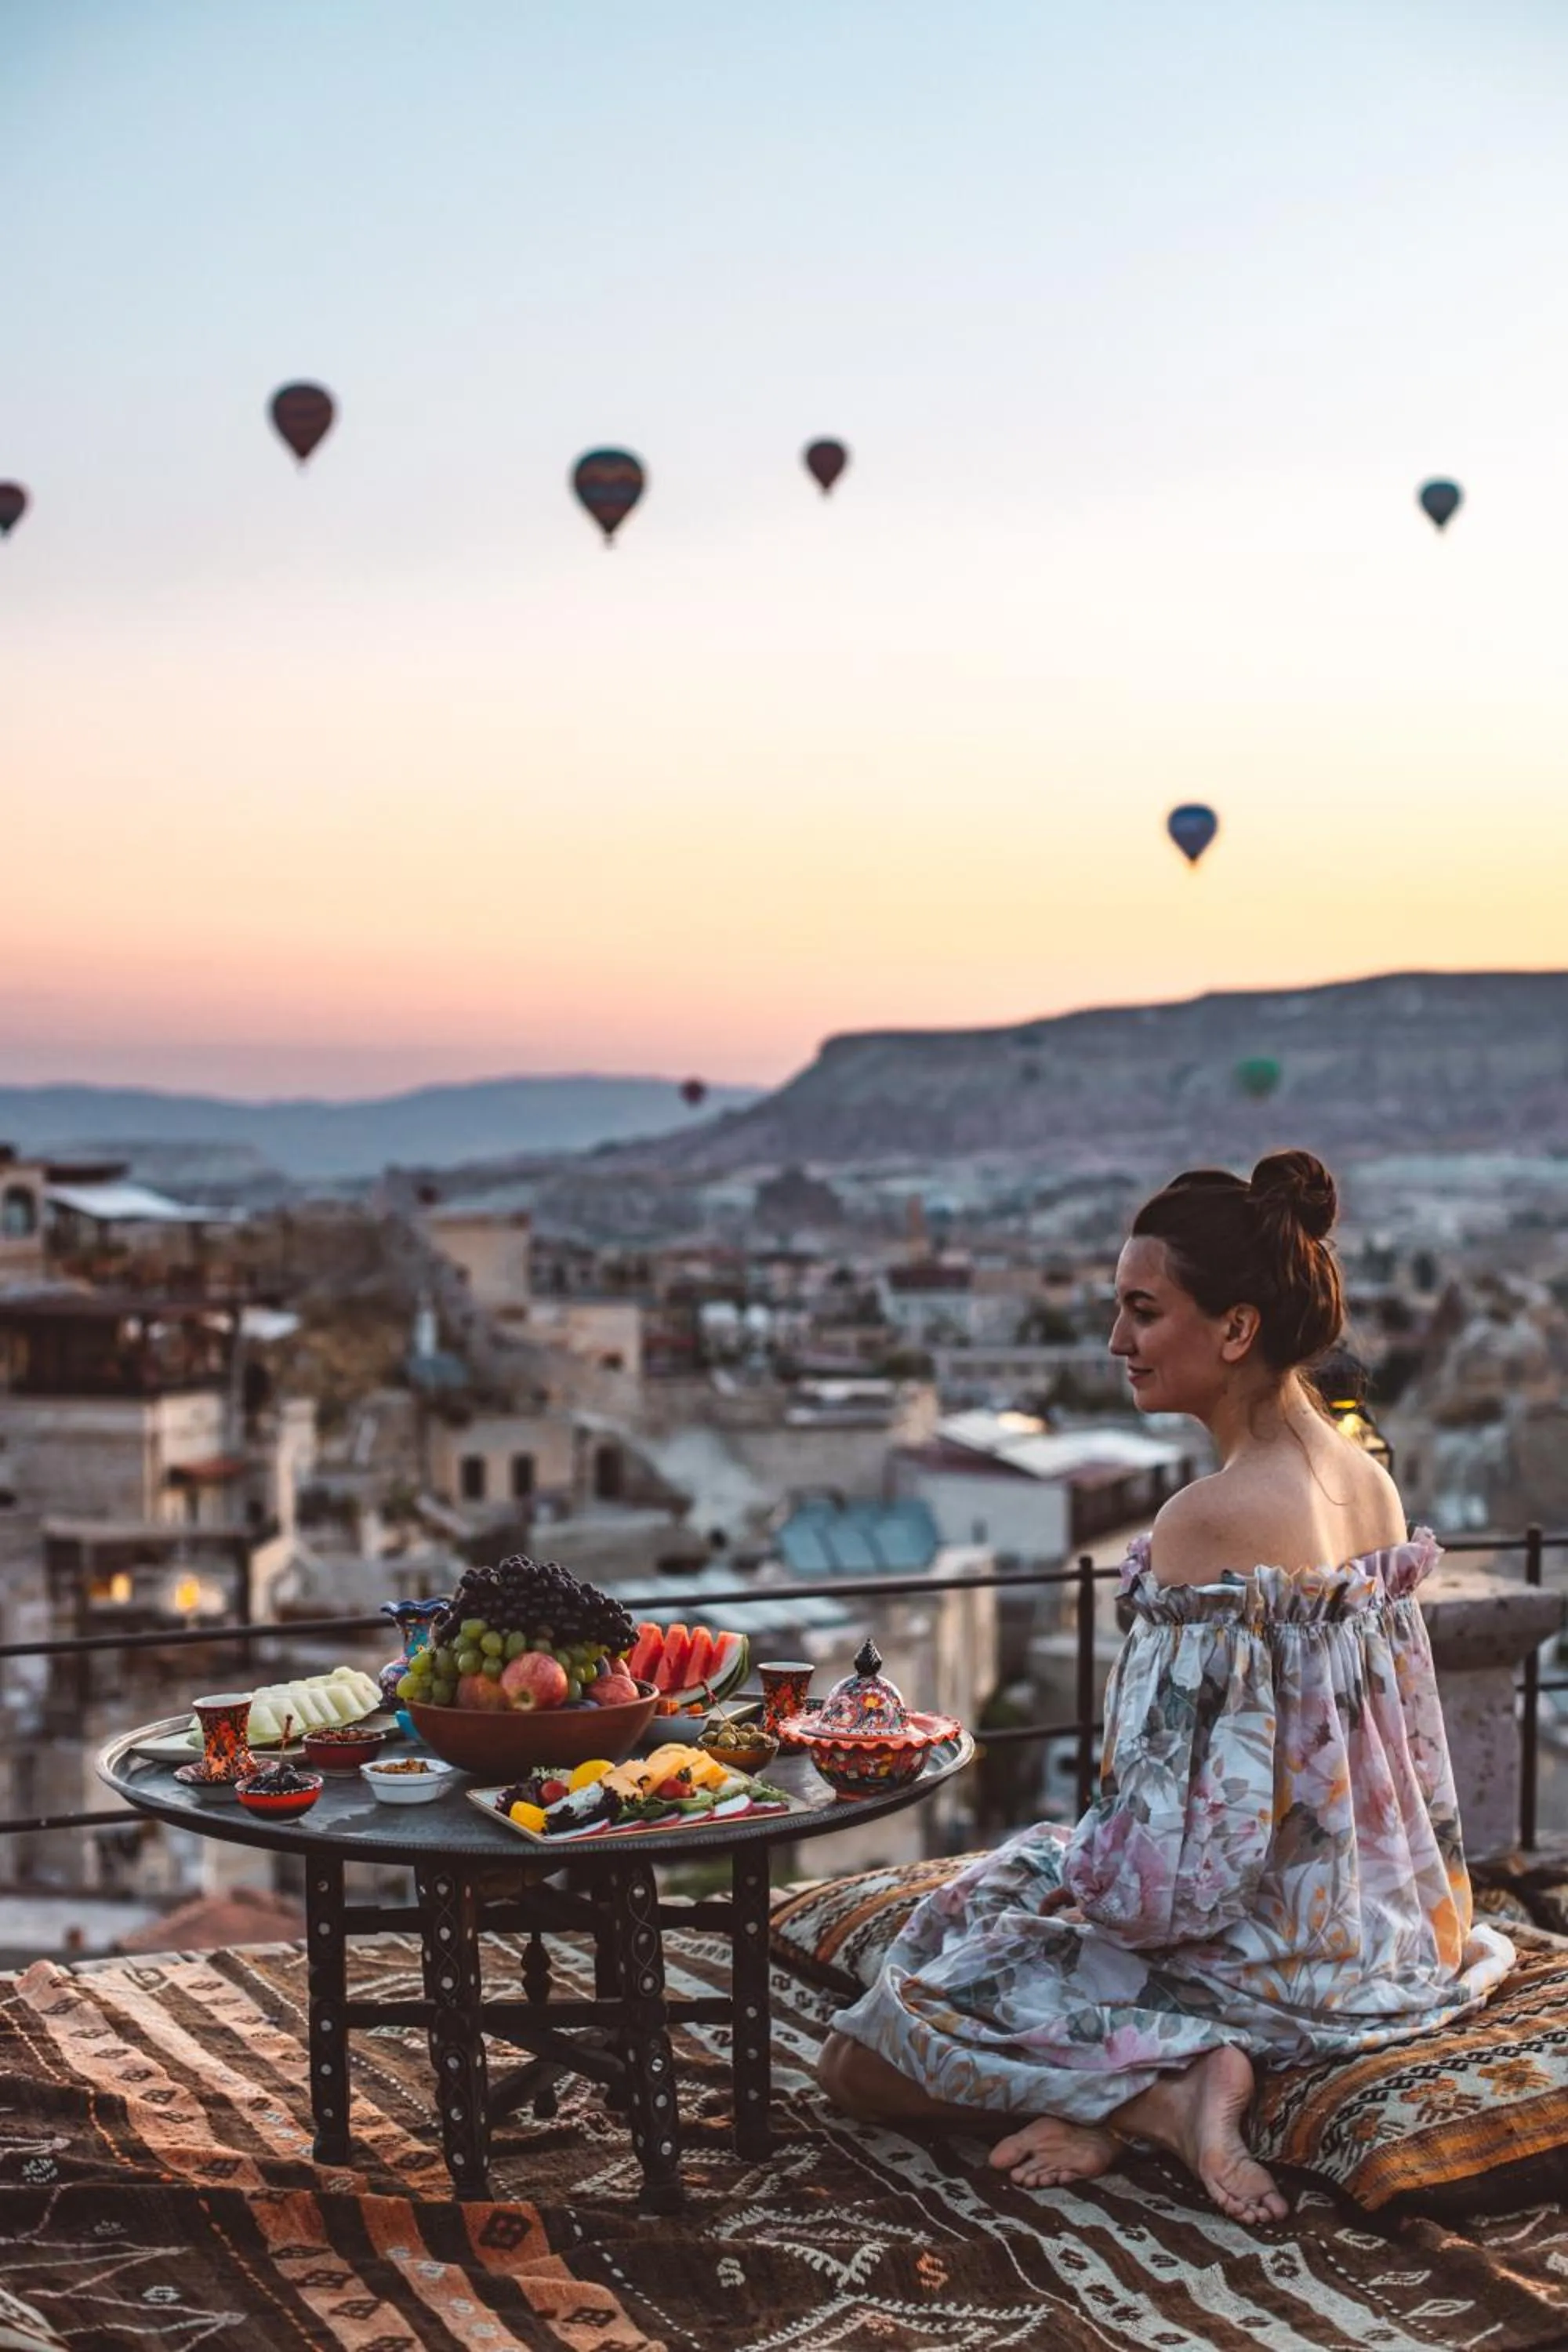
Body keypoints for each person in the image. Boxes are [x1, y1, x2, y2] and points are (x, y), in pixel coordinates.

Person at [818, 1150, 1515, 2225]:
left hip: (1261, 1960)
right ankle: (1141, 2094)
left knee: (863, 2055)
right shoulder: (1368, 1480)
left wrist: (1080, 1895)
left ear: (1236, 1329)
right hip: (1384, 1937)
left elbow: (1168, 1872)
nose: (1117, 1340)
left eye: (1143, 1311)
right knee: (995, 1896)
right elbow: (1409, 1763)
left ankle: (1161, 2102)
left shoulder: (1208, 1520)